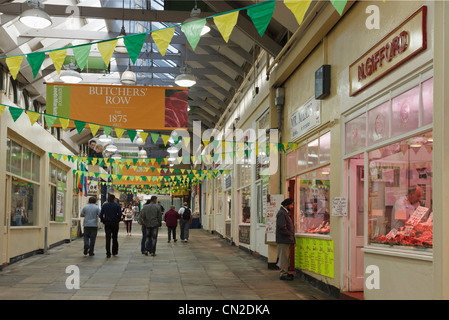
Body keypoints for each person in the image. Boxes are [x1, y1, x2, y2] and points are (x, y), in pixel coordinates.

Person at [276, 198, 295, 281]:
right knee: (283, 257)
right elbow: (281, 227)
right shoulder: (282, 213)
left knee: (285, 257)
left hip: (286, 239)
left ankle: (285, 272)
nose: (292, 206)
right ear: (286, 205)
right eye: (291, 204)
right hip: (284, 239)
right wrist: (290, 234)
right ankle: (283, 274)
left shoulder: (285, 213)